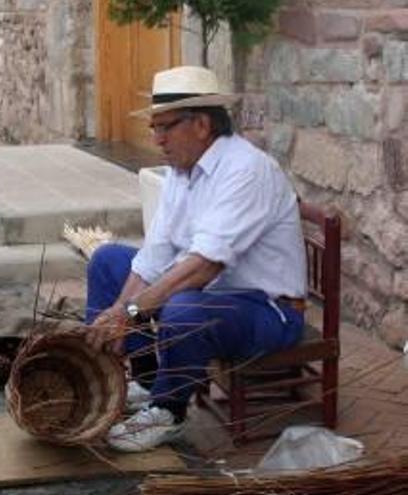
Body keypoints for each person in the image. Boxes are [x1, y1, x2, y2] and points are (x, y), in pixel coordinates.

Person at [84, 66, 307, 452]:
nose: (157, 139)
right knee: (107, 260)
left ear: (201, 124)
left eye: (165, 127)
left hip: (269, 310)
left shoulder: (246, 169)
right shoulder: (181, 172)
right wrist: (120, 309)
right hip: (214, 297)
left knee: (183, 307)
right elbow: (155, 256)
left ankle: (169, 411)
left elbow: (206, 266)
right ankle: (144, 378)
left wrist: (132, 313)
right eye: (154, 128)